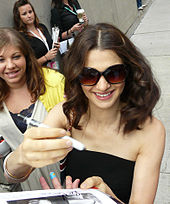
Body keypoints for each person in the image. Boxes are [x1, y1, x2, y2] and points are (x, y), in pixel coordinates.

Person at [4, 23, 165, 204]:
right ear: (75, 75)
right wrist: (23, 155)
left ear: (129, 72)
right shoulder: (67, 114)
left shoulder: (150, 131)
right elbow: (13, 175)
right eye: (89, 75)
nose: (102, 86)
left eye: (114, 74)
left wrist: (109, 199)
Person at [0, 28, 65, 191]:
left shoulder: (54, 83)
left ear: (27, 57)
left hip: (68, 178)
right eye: (1, 60)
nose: (10, 65)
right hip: (29, 185)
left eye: (16, 57)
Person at [13, 0, 60, 68]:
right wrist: (45, 58)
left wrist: (56, 47)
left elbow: (48, 47)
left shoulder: (42, 27)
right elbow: (27, 65)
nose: (29, 16)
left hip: (53, 67)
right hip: (38, 72)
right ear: (18, 17)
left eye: (30, 12)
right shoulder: (21, 37)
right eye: (24, 14)